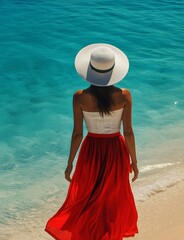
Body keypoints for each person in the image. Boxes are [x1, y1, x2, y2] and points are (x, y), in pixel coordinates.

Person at [45, 43, 139, 240]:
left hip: (91, 150)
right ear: (113, 71)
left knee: (88, 198)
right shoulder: (124, 95)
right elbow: (128, 132)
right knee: (112, 199)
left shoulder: (80, 97)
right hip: (116, 149)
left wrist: (70, 163)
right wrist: (134, 161)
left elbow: (77, 134)